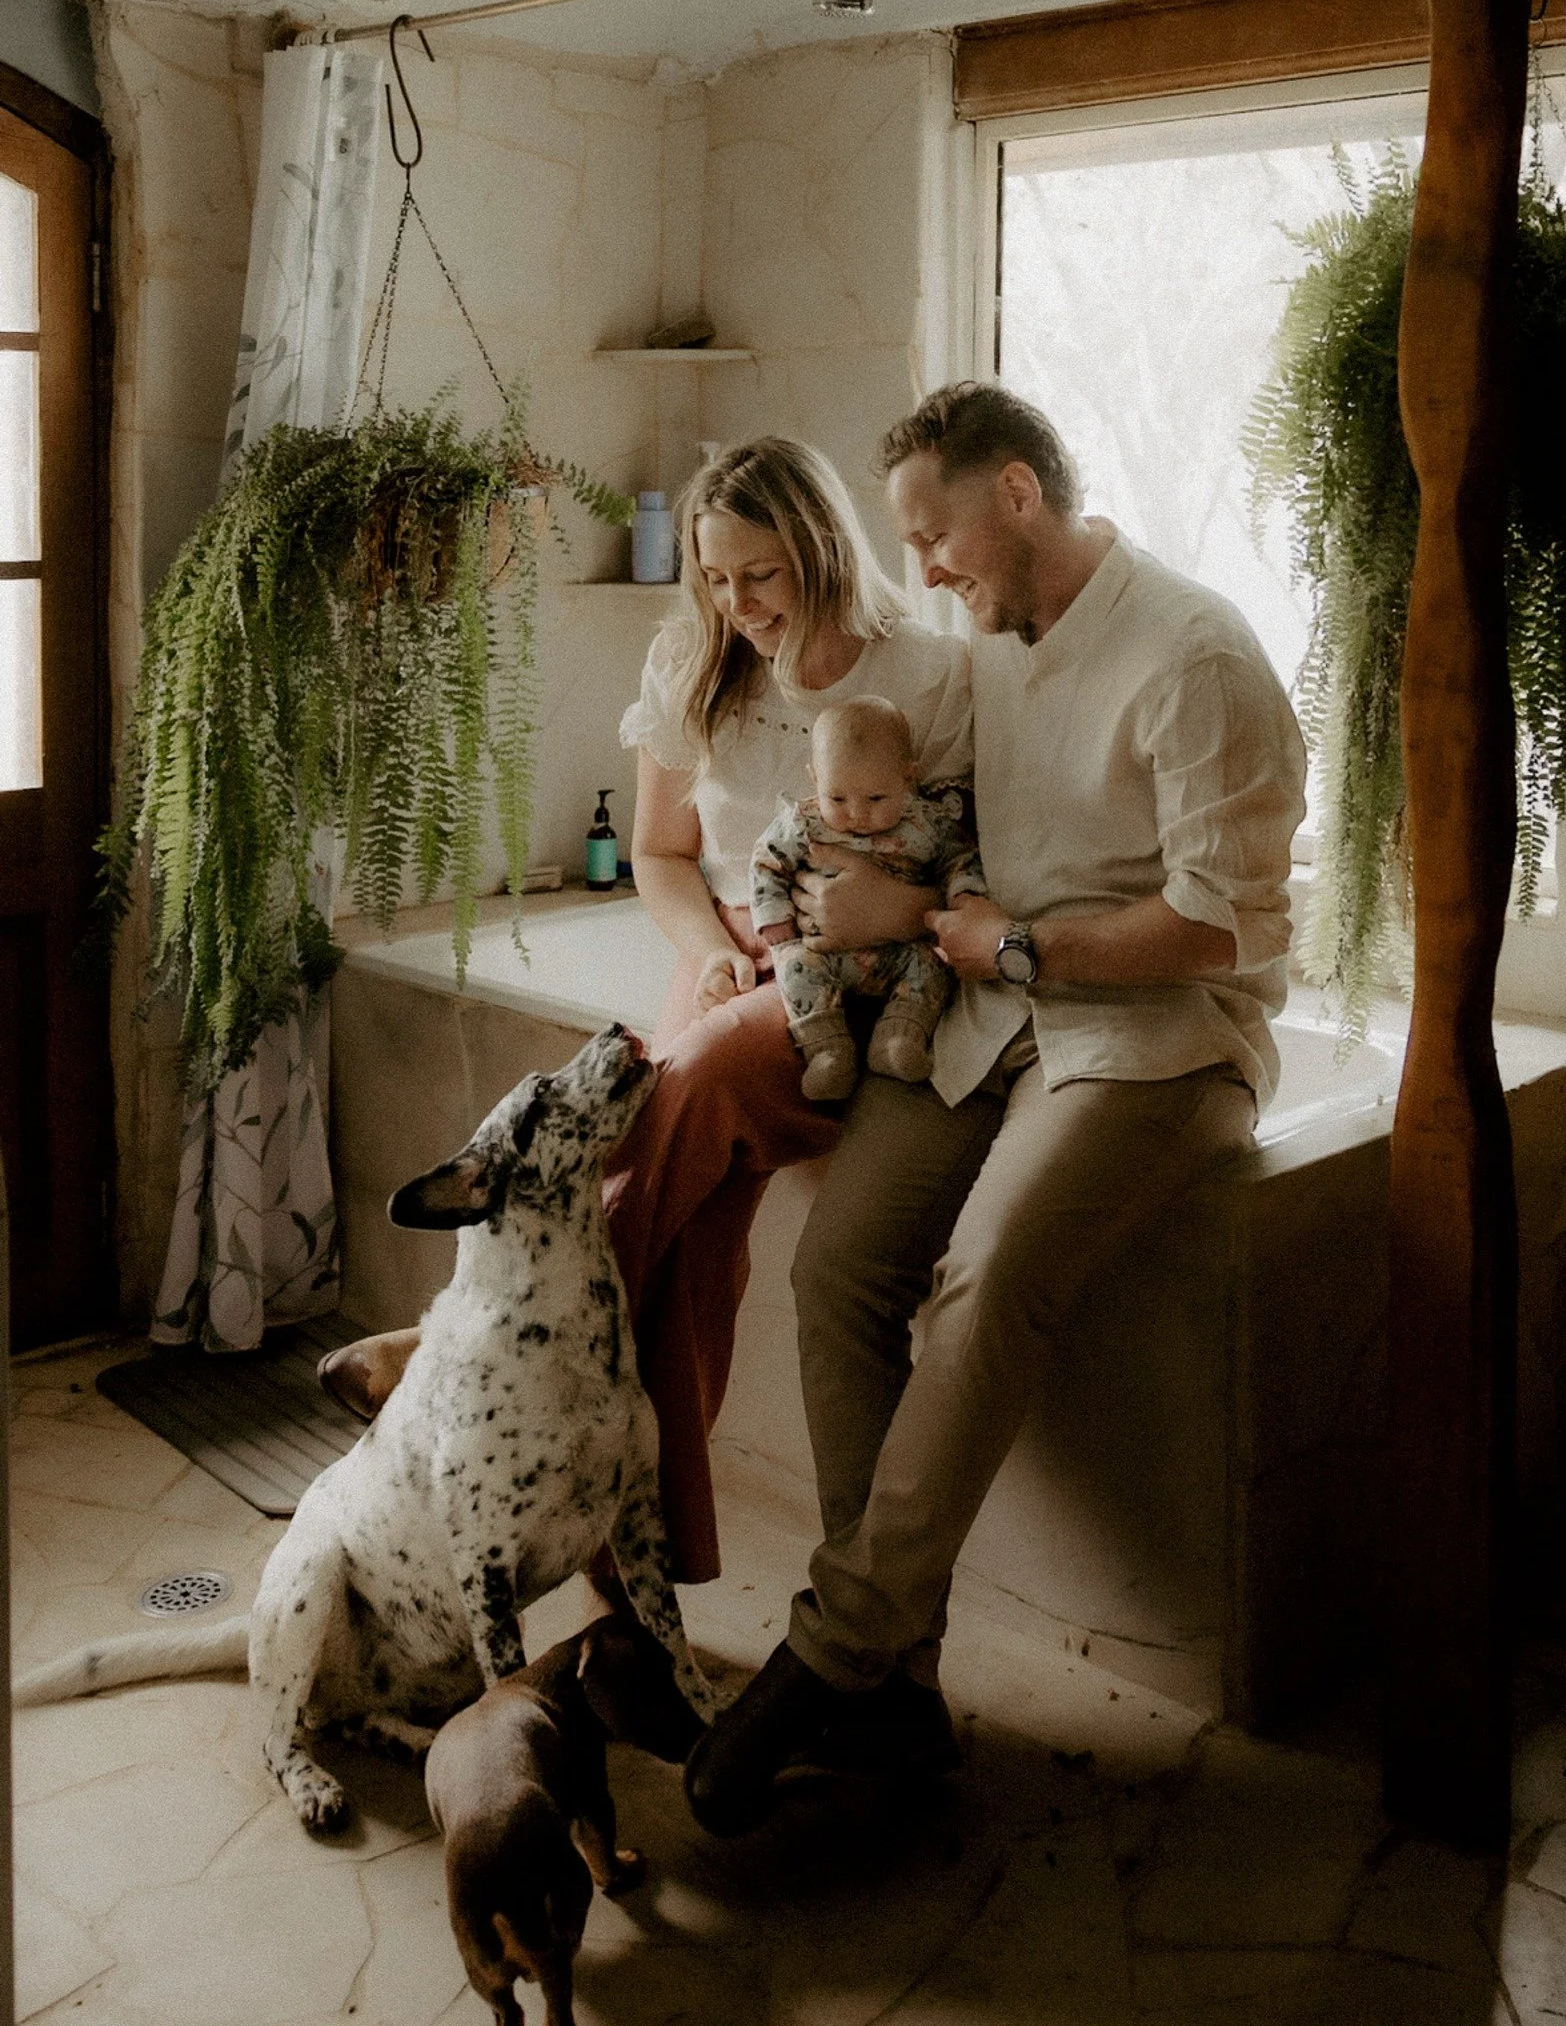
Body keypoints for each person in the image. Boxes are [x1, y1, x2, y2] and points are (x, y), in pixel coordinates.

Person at [685, 382, 1309, 1834]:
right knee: (840, 1266)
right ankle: (897, 1695)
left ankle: (835, 1651)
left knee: (986, 1282)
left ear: (1016, 492)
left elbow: (1226, 932)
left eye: (935, 532)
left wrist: (1007, 947)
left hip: (1158, 1039)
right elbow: (901, 807)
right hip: (991, 1014)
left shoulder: (1191, 655)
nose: (928, 569)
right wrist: (885, 904)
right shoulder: (994, 649)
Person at [318, 436, 971, 1591]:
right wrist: (711, 952)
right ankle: (638, 1596)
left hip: (855, 976)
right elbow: (665, 858)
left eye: (759, 575)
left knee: (698, 1081)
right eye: (715, 578)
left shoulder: (922, 672)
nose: (737, 602)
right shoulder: (696, 660)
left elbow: (963, 866)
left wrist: (889, 911)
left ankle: (463, 1336)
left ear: (820, 549)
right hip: (729, 950)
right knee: (692, 1250)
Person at [751, 695, 985, 1101]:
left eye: (876, 799)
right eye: (837, 798)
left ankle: (898, 1037)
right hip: (820, 952)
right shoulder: (802, 823)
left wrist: (964, 894)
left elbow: (959, 860)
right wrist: (775, 919)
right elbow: (766, 863)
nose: (856, 813)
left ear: (907, 778)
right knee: (793, 967)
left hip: (897, 950)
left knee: (930, 968)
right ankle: (826, 1051)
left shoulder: (926, 822)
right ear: (815, 779)